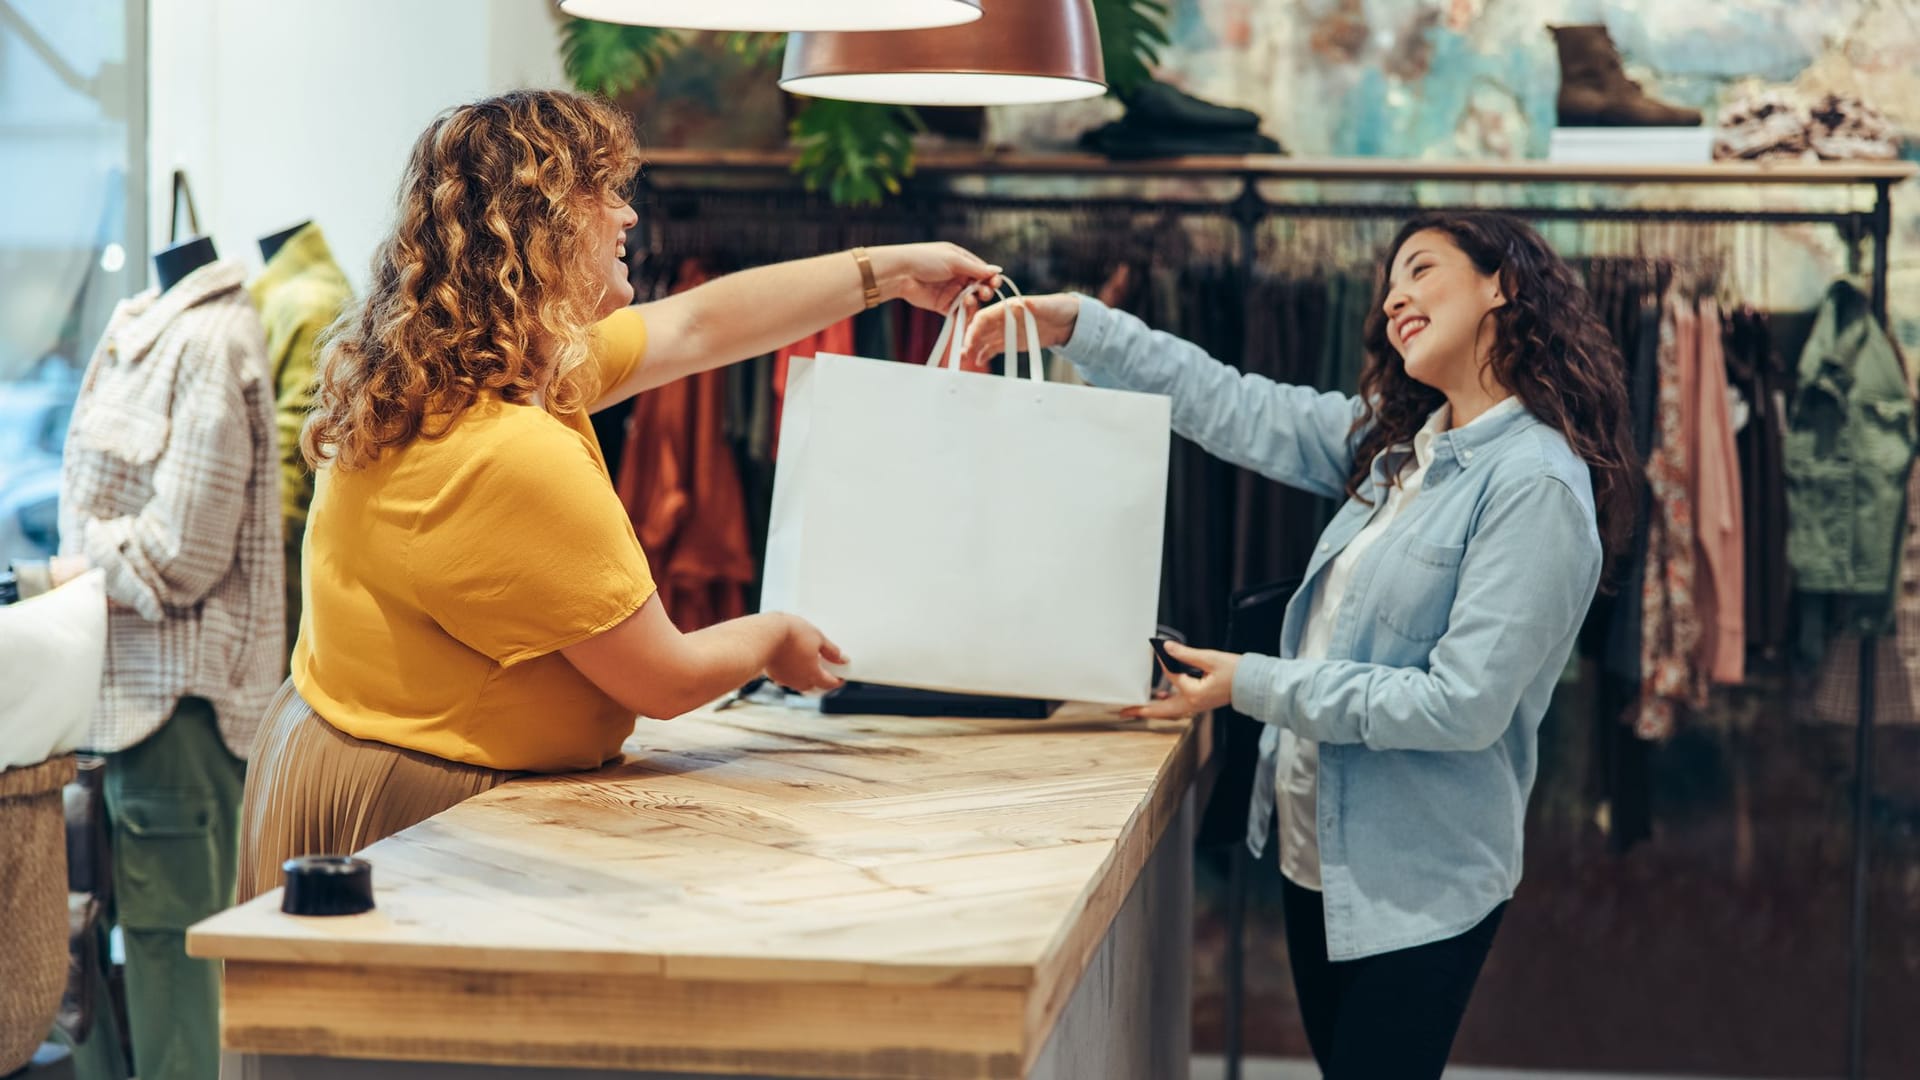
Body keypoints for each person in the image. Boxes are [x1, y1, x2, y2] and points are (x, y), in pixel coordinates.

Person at [236, 89, 1000, 901]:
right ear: (537, 226)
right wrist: (773, 636)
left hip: (334, 752)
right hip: (421, 813)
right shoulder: (513, 450)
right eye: (602, 192)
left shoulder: (446, 377)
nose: (627, 217)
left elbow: (697, 326)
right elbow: (663, 680)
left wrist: (891, 270)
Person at [963, 211, 1635, 1079]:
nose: (1396, 297)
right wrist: (1075, 325)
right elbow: (1232, 404)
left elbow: (1461, 706)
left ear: (1501, 284)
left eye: (1422, 270)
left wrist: (1254, 684)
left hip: (1417, 880)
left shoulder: (1535, 483)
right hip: (1315, 857)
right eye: (1389, 284)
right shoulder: (1402, 449)